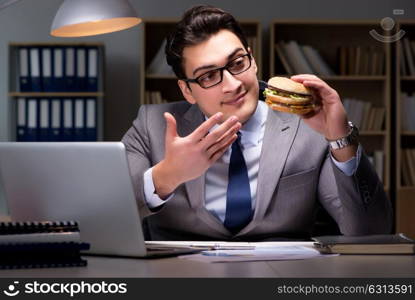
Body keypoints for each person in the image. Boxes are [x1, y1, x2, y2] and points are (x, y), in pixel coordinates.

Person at [122, 5, 392, 241]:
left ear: (253, 61)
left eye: (238, 63)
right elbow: (107, 212)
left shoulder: (308, 128)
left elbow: (370, 233)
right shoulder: (151, 125)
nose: (233, 84)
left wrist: (340, 139)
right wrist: (169, 176)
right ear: (187, 91)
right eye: (208, 76)